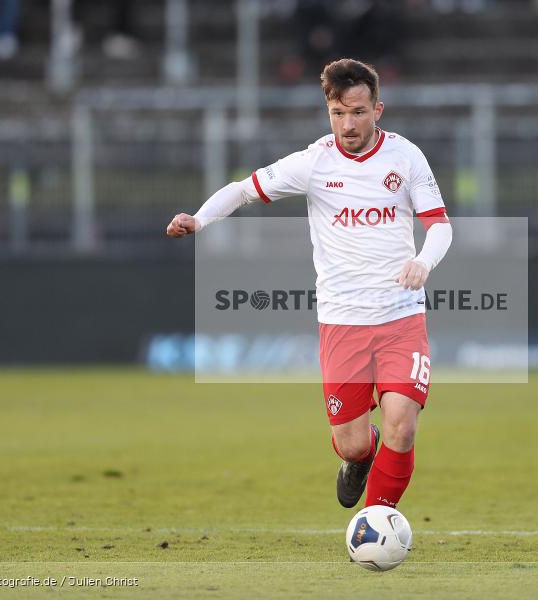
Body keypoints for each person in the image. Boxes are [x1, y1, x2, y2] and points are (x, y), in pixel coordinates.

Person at [166, 58, 453, 510]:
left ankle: (376, 522)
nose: (348, 123)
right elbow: (242, 189)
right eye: (338, 114)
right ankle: (360, 455)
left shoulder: (406, 157)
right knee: (353, 444)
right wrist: (199, 219)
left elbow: (440, 226)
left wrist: (423, 262)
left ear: (378, 109)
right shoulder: (315, 161)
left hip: (401, 314)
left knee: (404, 424)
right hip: (341, 321)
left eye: (358, 112)